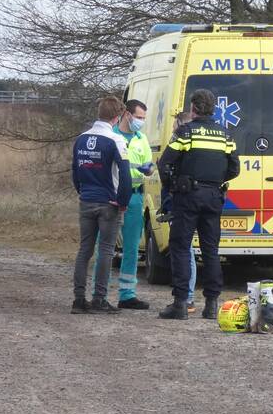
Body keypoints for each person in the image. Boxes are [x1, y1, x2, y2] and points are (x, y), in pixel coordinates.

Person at [156, 89, 240, 320]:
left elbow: (165, 164)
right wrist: (215, 182)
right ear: (213, 108)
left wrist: (172, 185)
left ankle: (180, 303)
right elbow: (234, 169)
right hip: (214, 197)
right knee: (211, 250)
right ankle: (212, 304)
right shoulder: (225, 135)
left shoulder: (186, 132)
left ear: (193, 107)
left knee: (181, 247)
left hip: (187, 196)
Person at [70, 96, 132, 314]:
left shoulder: (81, 139)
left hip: (86, 199)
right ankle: (99, 299)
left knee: (84, 249)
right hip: (109, 202)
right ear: (117, 117)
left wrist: (83, 191)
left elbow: (75, 171)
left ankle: (78, 300)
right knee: (106, 250)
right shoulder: (116, 140)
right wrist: (123, 201)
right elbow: (125, 174)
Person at [91, 99, 154, 309]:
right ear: (126, 114)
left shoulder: (141, 138)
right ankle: (100, 292)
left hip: (135, 197)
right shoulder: (111, 136)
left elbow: (146, 164)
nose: (141, 121)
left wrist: (148, 170)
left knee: (132, 248)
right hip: (112, 197)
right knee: (105, 247)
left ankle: (127, 294)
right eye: (138, 117)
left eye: (144, 118)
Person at [157, 111, 199, 314]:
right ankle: (187, 296)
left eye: (175, 125)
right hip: (181, 202)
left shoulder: (182, 146)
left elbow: (165, 168)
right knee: (187, 250)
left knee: (185, 251)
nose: (173, 129)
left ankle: (187, 298)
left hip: (180, 203)